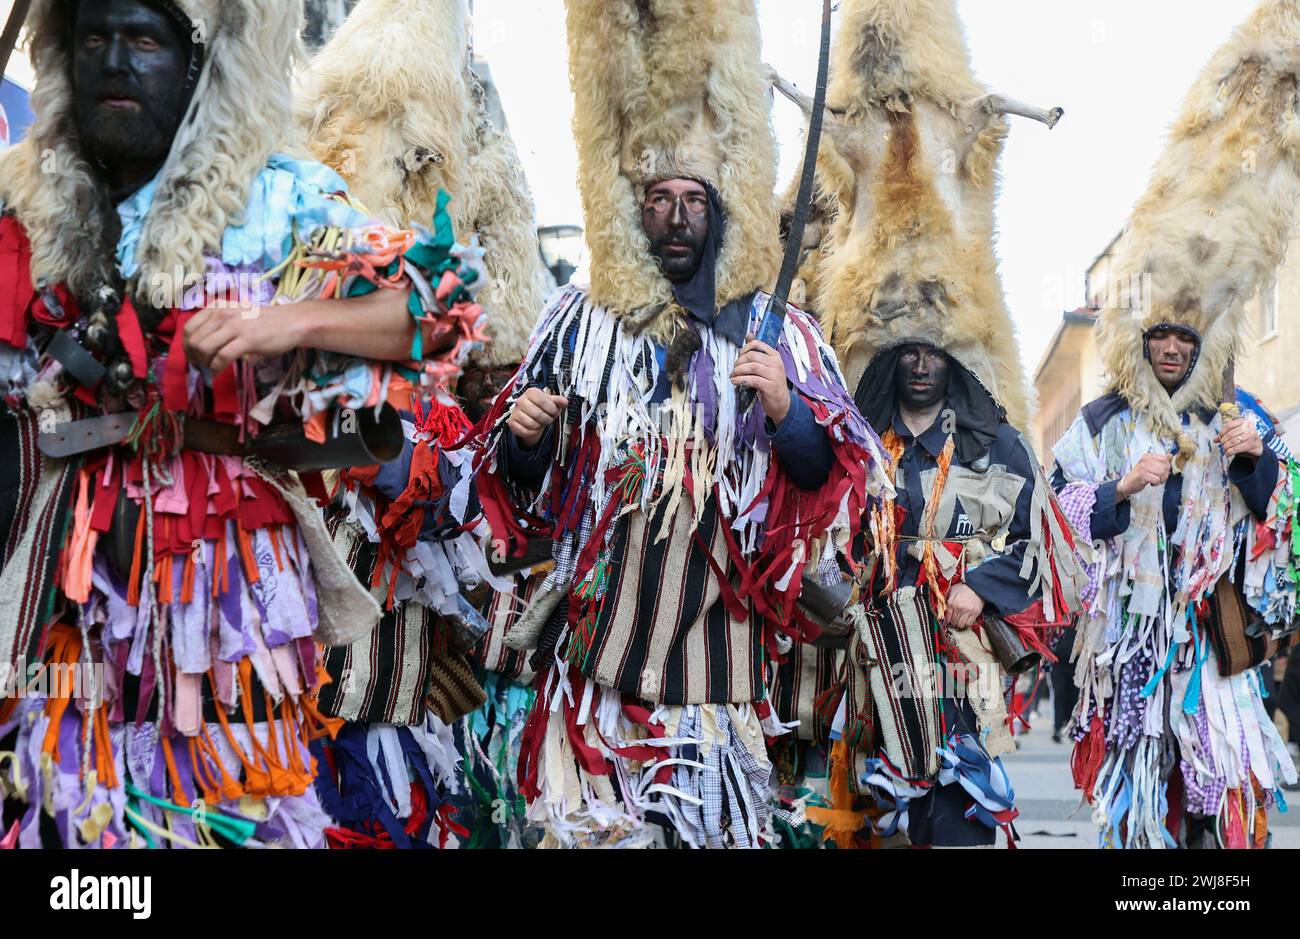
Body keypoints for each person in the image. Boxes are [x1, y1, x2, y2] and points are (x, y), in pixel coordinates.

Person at [0, 0, 476, 848]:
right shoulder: (20, 205)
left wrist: (286, 323)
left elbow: (438, 309)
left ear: (194, 63)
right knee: (69, 818)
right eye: (93, 37)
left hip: (228, 597)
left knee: (231, 808)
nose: (114, 61)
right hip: (61, 586)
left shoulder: (276, 197)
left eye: (143, 39)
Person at [465, 0, 890, 849]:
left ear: (722, 205)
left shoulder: (782, 333)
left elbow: (832, 485)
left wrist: (786, 409)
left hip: (717, 676)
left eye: (693, 198)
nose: (676, 216)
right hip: (598, 675)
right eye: (656, 198)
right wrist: (526, 436)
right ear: (629, 208)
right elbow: (522, 490)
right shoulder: (577, 324)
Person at [295, 0, 548, 849]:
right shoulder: (292, 360)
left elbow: (470, 531)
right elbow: (407, 495)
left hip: (404, 729)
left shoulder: (442, 394)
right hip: (301, 729)